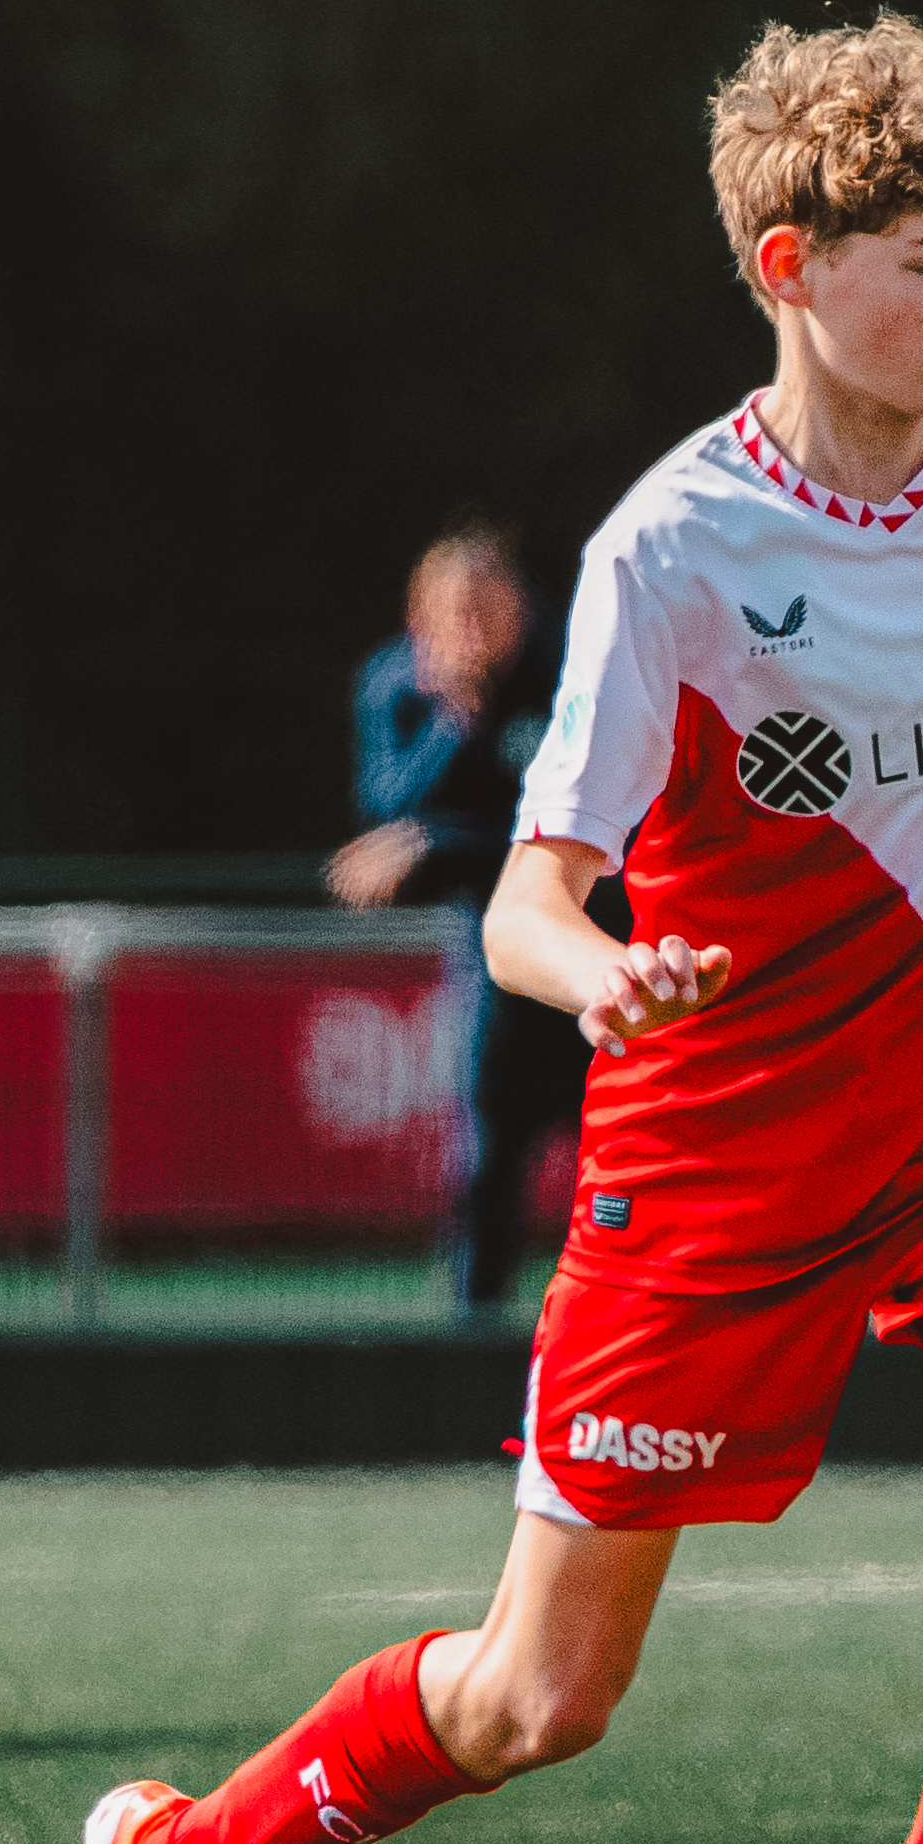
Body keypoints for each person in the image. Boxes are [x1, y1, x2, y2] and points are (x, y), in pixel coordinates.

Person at [83, 13, 923, 1844]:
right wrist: (609, 967)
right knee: (541, 1700)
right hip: (712, 1163)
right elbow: (527, 898)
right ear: (787, 266)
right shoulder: (672, 552)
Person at [328, 527, 621, 1318]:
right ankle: (472, 1341)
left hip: (592, 954)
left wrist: (434, 844)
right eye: (455, 611)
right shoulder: (397, 689)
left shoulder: (574, 676)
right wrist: (457, 720)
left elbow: (578, 835)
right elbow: (384, 815)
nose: (475, 626)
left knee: (626, 1169)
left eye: (489, 606)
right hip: (492, 971)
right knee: (487, 1163)